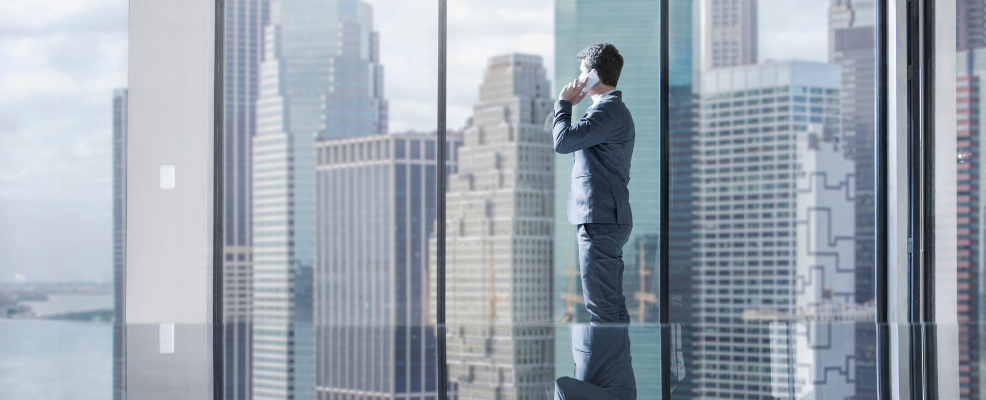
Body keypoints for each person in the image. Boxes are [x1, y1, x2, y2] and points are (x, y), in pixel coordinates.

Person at [550, 43, 636, 400]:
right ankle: (613, 386)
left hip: (600, 219)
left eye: (583, 72)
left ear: (595, 75)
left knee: (603, 308)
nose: (578, 80)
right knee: (607, 306)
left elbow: (563, 141)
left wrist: (565, 103)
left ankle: (609, 390)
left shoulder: (608, 111)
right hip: (604, 217)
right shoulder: (607, 112)